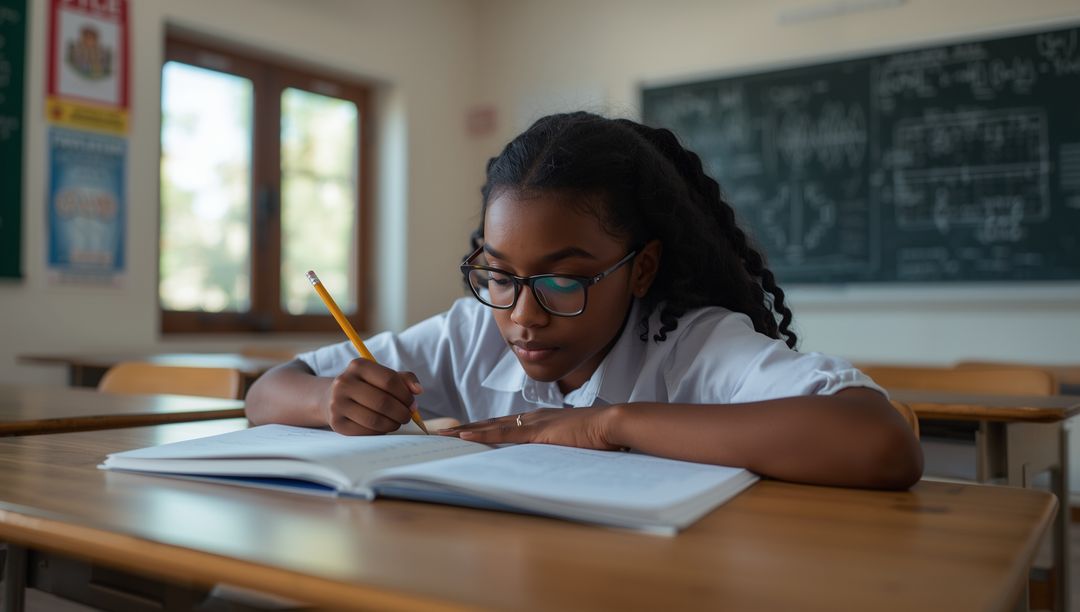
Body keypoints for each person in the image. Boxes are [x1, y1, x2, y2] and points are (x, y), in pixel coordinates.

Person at [246, 112, 923, 490]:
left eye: (563, 280)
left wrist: (609, 425)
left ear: (640, 269)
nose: (522, 315)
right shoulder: (470, 332)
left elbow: (880, 441)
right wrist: (328, 399)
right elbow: (267, 393)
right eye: (499, 275)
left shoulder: (692, 345)